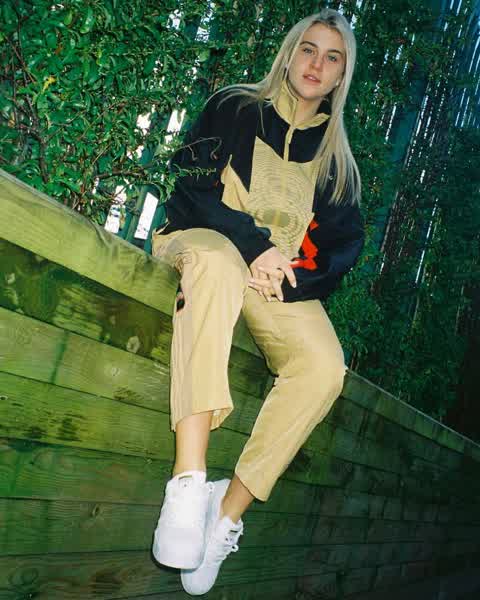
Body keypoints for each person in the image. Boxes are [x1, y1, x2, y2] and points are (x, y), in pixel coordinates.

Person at [150, 8, 365, 596]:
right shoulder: (235, 106)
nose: (316, 64)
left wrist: (289, 277)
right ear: (290, 53)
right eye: (308, 49)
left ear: (341, 75)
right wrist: (254, 246)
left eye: (332, 57)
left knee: (324, 367)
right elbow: (190, 186)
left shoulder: (338, 162)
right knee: (219, 265)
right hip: (201, 241)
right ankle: (188, 481)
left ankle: (226, 514)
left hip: (271, 280)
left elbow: (341, 249)